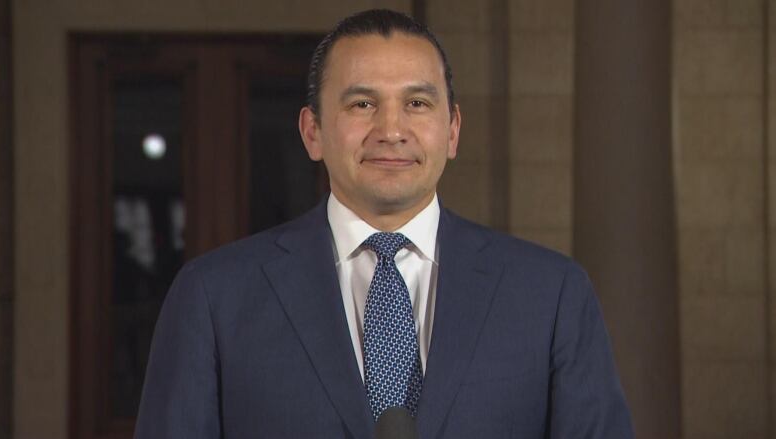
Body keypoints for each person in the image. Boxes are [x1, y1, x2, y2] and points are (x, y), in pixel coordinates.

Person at [135, 9, 633, 438]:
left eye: (417, 104)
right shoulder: (213, 296)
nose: (392, 130)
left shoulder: (551, 295)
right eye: (362, 104)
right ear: (313, 132)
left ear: (453, 130)